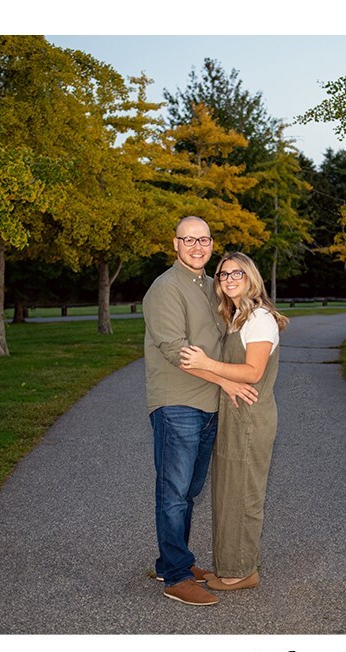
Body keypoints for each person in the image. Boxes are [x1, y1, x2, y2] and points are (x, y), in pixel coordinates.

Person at [143, 217, 258, 606]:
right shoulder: (165, 288)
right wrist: (226, 381)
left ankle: (172, 560)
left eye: (204, 239)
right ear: (175, 243)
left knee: (188, 491)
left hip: (208, 405)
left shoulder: (211, 287)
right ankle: (175, 576)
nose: (197, 246)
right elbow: (177, 349)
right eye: (189, 239)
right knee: (173, 492)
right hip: (177, 402)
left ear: (211, 244)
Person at [180, 252, 288, 591]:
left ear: (251, 276)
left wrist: (208, 364)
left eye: (236, 272)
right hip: (233, 417)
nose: (228, 278)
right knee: (227, 493)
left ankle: (243, 571)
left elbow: (253, 372)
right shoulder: (237, 316)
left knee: (244, 495)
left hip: (251, 419)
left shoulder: (259, 318)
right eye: (222, 274)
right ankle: (227, 565)